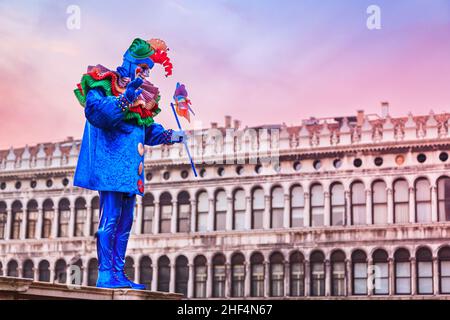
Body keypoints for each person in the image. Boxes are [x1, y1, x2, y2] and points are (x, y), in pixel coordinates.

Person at [73, 38, 186, 289]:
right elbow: (98, 115)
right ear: (132, 63)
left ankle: (117, 272)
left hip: (129, 170)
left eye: (148, 70)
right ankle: (105, 274)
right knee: (111, 218)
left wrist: (170, 135)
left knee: (125, 221)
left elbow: (144, 130)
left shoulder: (140, 94)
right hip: (111, 165)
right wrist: (125, 100)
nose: (145, 74)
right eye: (143, 68)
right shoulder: (103, 82)